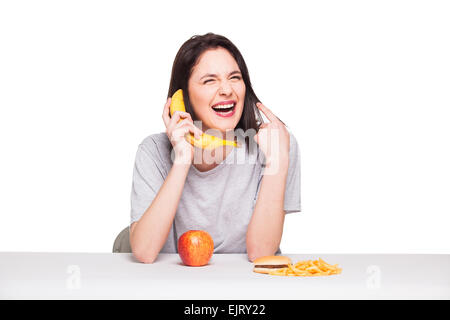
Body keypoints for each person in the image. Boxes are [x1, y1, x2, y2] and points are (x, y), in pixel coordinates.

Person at [129, 33, 301, 264]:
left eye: (234, 77)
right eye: (209, 80)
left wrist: (277, 161)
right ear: (182, 96)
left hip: (249, 285)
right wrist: (182, 158)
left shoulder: (276, 144)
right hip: (173, 286)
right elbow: (145, 252)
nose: (226, 90)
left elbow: (262, 254)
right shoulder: (153, 151)